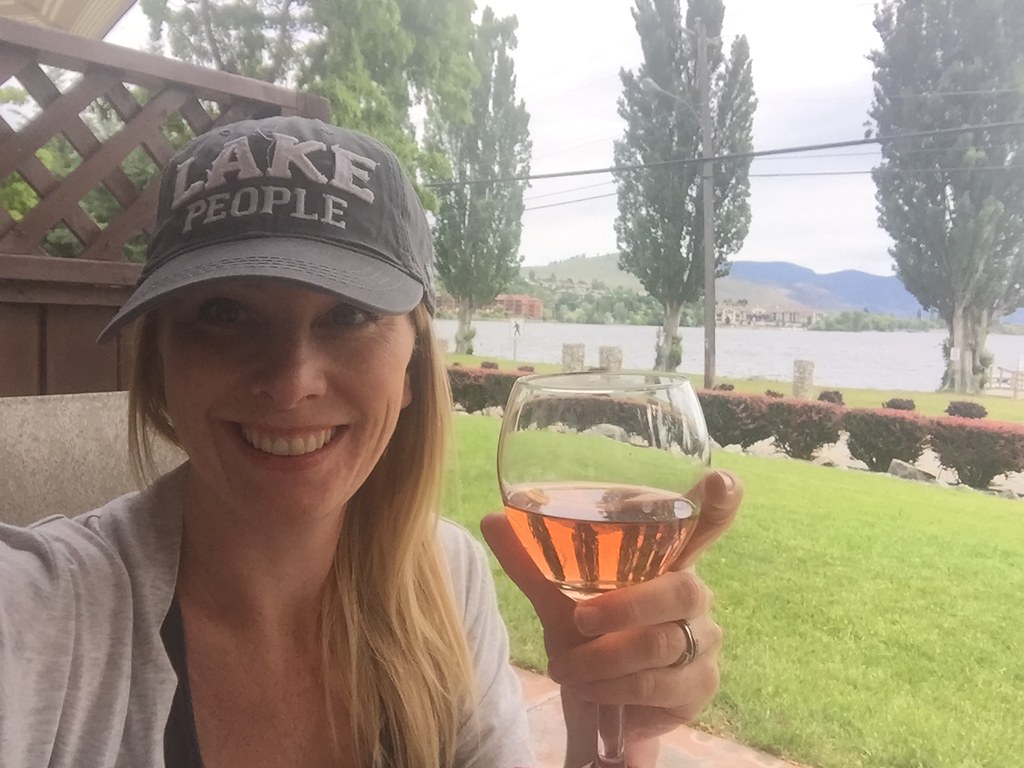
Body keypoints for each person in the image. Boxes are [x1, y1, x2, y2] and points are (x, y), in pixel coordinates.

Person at [0, 115, 742, 768]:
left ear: (412, 368)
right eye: (225, 314)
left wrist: (616, 729)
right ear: (160, 363)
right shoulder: (38, 613)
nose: (292, 382)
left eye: (349, 315)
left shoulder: (447, 578)